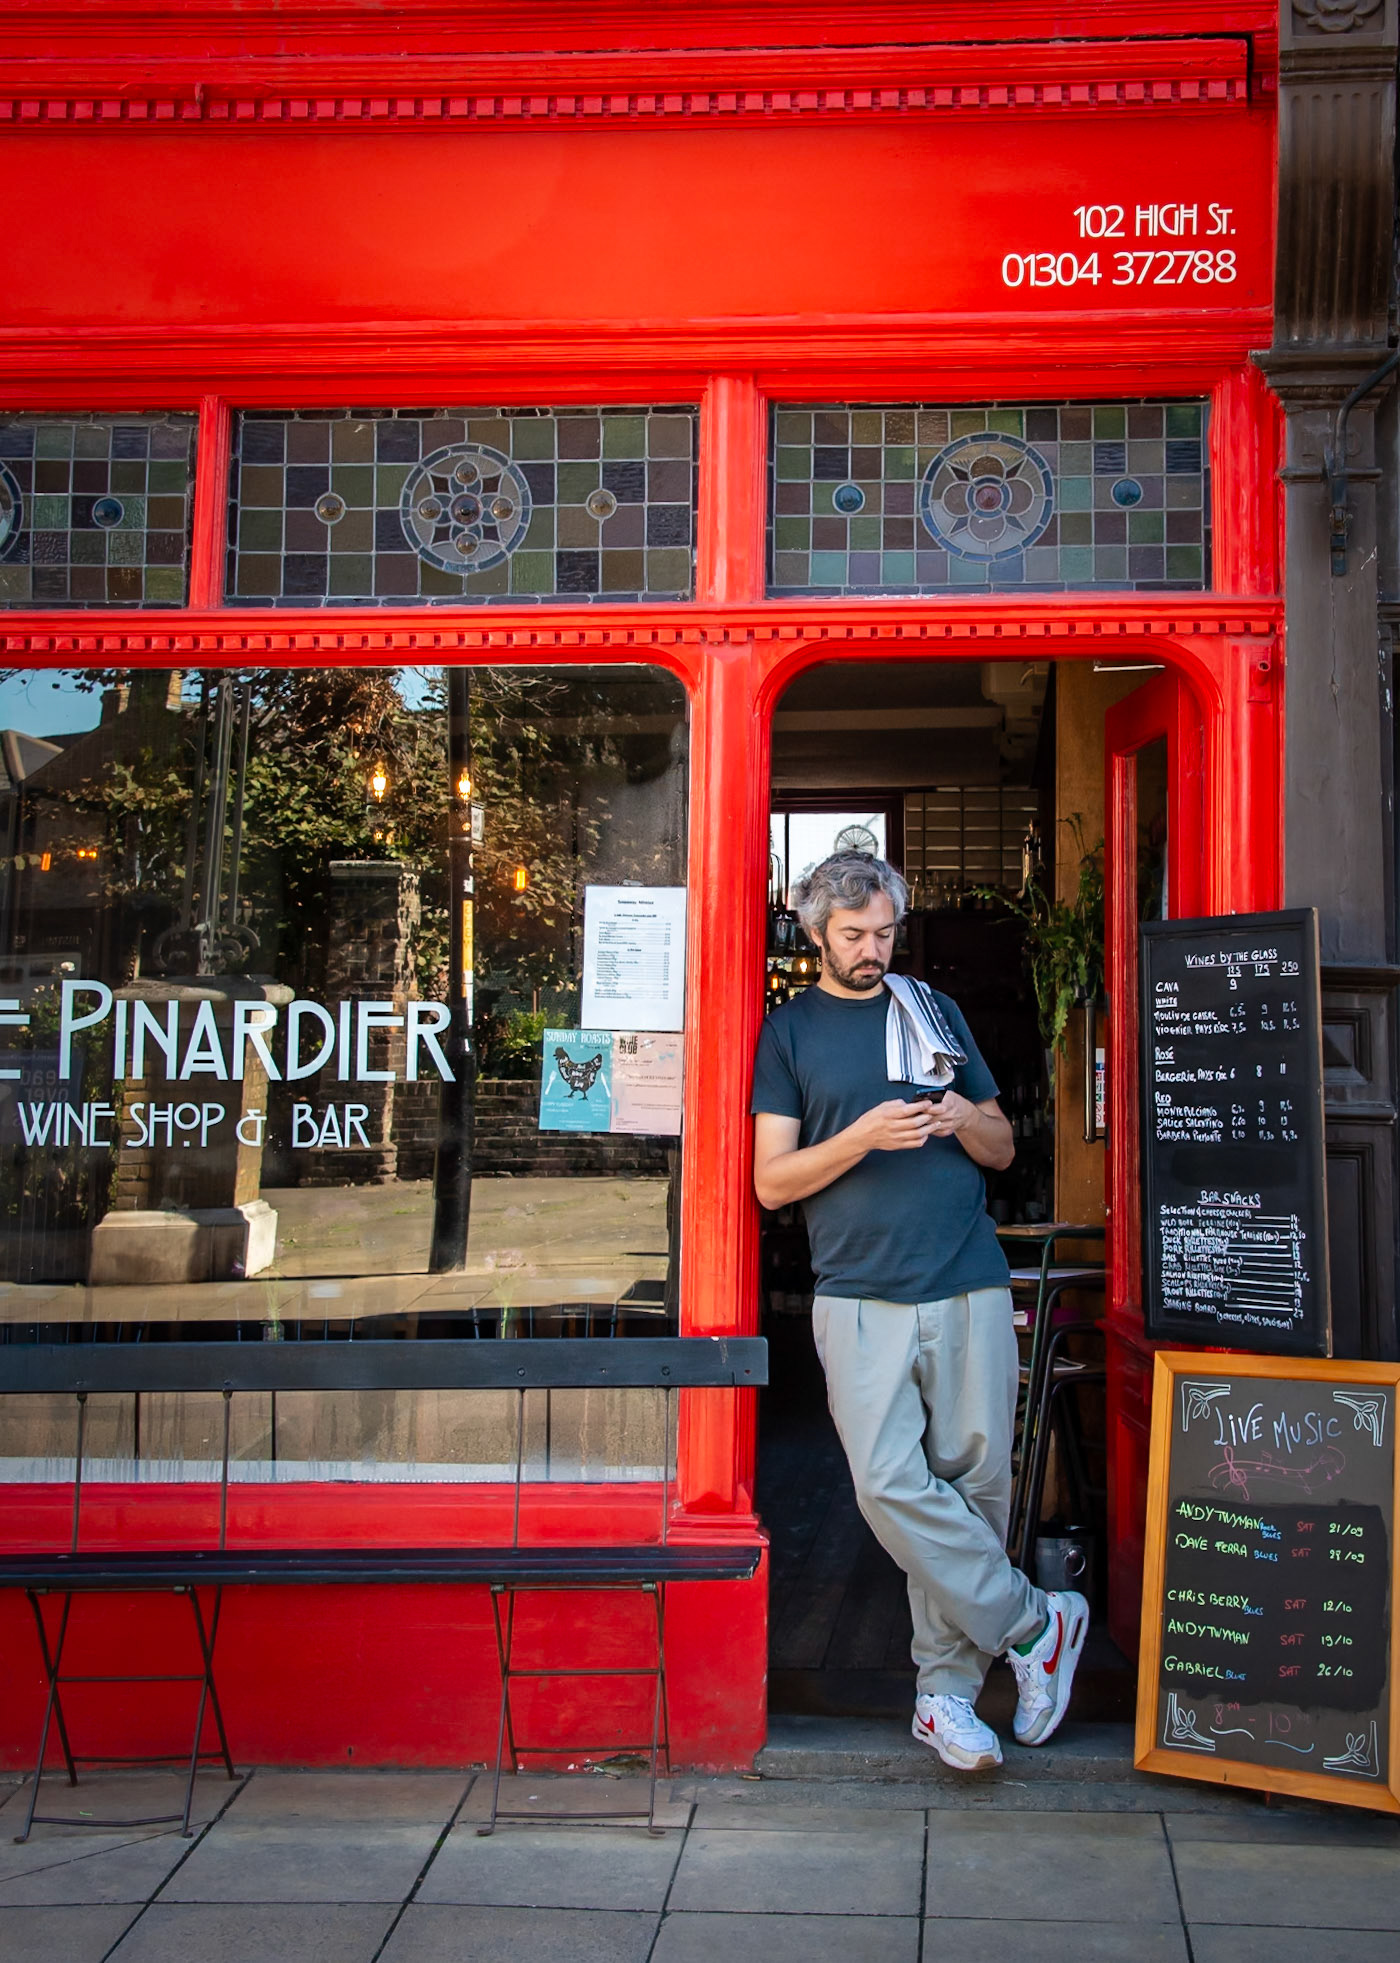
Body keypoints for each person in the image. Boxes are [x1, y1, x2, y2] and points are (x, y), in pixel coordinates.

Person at [751, 850, 1087, 1770]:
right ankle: (1034, 1623)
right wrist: (862, 1135)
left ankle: (945, 1697)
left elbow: (1002, 1146)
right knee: (888, 1484)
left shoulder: (932, 1011)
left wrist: (958, 1116)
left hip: (968, 1277)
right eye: (853, 934)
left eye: (885, 932)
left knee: (975, 1490)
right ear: (816, 933)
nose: (873, 949)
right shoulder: (788, 1033)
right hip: (858, 1292)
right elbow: (772, 1181)